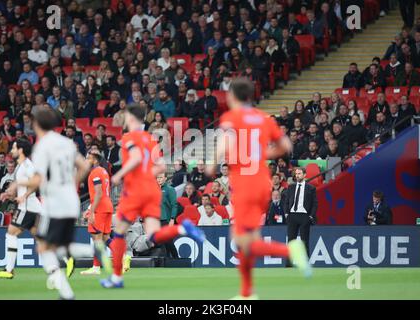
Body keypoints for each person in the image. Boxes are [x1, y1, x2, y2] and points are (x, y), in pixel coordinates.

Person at [209, 78, 311, 299]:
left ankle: (290, 250)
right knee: (248, 241)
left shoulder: (231, 117)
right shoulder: (263, 119)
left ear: (233, 96)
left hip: (245, 186)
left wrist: (212, 163)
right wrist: (262, 155)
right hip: (262, 183)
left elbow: (225, 143)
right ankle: (247, 293)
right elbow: (287, 146)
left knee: (240, 241)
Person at [99, 105, 205, 289]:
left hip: (135, 191)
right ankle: (182, 229)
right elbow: (162, 167)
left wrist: (118, 175)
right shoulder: (150, 139)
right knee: (154, 234)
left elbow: (135, 158)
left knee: (118, 233)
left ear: (131, 118)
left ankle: (116, 277)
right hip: (151, 189)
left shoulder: (129, 137)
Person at [18, 107, 101, 300]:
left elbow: (38, 180)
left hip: (54, 202)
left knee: (44, 248)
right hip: (70, 200)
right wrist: (72, 185)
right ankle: (94, 252)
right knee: (58, 247)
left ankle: (68, 290)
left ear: (36, 123)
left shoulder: (41, 147)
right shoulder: (66, 143)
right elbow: (84, 165)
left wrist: (17, 184)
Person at [0, 139, 42, 279]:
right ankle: (67, 259)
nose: (11, 150)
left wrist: (24, 195)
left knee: (11, 234)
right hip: (32, 207)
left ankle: (9, 270)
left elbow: (36, 183)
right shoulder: (22, 165)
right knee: (42, 240)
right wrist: (8, 193)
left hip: (27, 207)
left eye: (13, 148)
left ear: (20, 150)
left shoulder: (27, 165)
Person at [80, 152, 117, 276]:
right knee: (105, 238)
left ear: (95, 160)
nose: (86, 160)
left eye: (88, 158)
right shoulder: (104, 171)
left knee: (96, 238)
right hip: (107, 206)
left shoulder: (95, 172)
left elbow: (98, 193)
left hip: (100, 208)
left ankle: (96, 267)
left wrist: (92, 211)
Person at [283, 167, 318, 255]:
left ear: (304, 175)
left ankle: (306, 262)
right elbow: (286, 201)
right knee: (291, 241)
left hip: (304, 216)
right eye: (296, 174)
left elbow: (314, 203)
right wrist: (287, 213)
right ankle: (289, 264)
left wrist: (310, 216)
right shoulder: (291, 187)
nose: (297, 176)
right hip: (292, 216)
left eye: (299, 174)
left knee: (305, 240)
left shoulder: (311, 188)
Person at [157, 172, 179, 258]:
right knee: (161, 243)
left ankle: (177, 259)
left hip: (166, 219)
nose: (159, 179)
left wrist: (172, 219)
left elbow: (174, 205)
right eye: (157, 177)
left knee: (168, 241)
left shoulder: (170, 189)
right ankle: (166, 261)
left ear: (165, 178)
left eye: (161, 177)